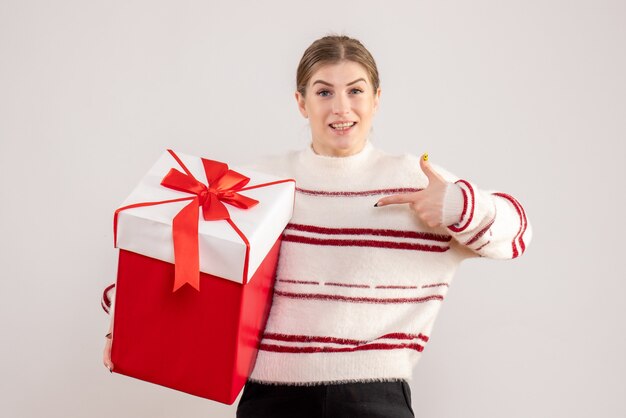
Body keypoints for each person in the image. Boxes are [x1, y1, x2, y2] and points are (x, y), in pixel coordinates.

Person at [102, 35, 532, 418]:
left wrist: (457, 205)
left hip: (374, 397)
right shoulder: (258, 184)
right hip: (270, 397)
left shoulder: (417, 182)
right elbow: (180, 255)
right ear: (301, 102)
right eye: (324, 92)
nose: (341, 107)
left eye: (355, 91)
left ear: (377, 99)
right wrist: (123, 323)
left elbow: (518, 233)